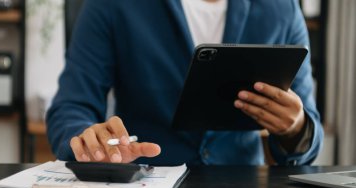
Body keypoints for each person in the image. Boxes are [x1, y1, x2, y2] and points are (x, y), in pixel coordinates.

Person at [46, 0, 324, 166]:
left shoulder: (283, 8)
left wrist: (295, 127)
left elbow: (308, 125)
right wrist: (90, 140)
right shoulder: (111, 5)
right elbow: (71, 106)